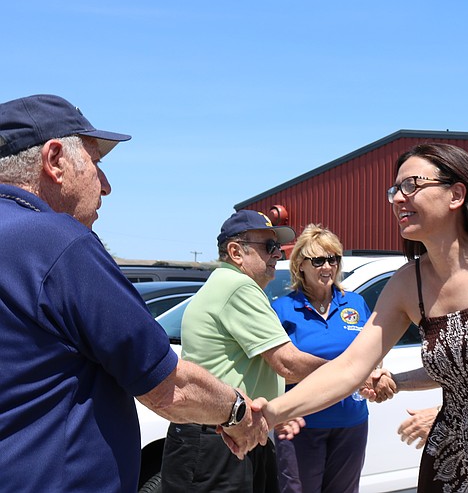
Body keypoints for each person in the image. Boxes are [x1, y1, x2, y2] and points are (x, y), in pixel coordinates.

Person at [260, 142, 468, 492]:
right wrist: (269, 413)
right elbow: (349, 369)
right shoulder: (408, 284)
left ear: (455, 194)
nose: (397, 199)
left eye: (412, 185)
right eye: (394, 190)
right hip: (453, 461)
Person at [0, 94, 270, 492]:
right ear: (55, 160)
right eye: (96, 165)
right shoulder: (58, 242)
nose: (106, 187)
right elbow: (167, 386)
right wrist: (237, 412)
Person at [160, 210, 328, 493]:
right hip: (219, 442)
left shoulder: (226, 285)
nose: (278, 254)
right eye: (269, 247)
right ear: (236, 252)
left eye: (278, 247)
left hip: (229, 436)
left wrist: (277, 410)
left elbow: (253, 368)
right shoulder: (238, 287)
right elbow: (288, 364)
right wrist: (355, 372)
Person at [271, 224, 373, 493]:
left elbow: (372, 353)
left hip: (351, 423)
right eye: (318, 260)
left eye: (333, 259)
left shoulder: (355, 304)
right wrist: (341, 374)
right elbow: (277, 368)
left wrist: (375, 372)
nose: (327, 266)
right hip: (302, 424)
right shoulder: (282, 309)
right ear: (300, 265)